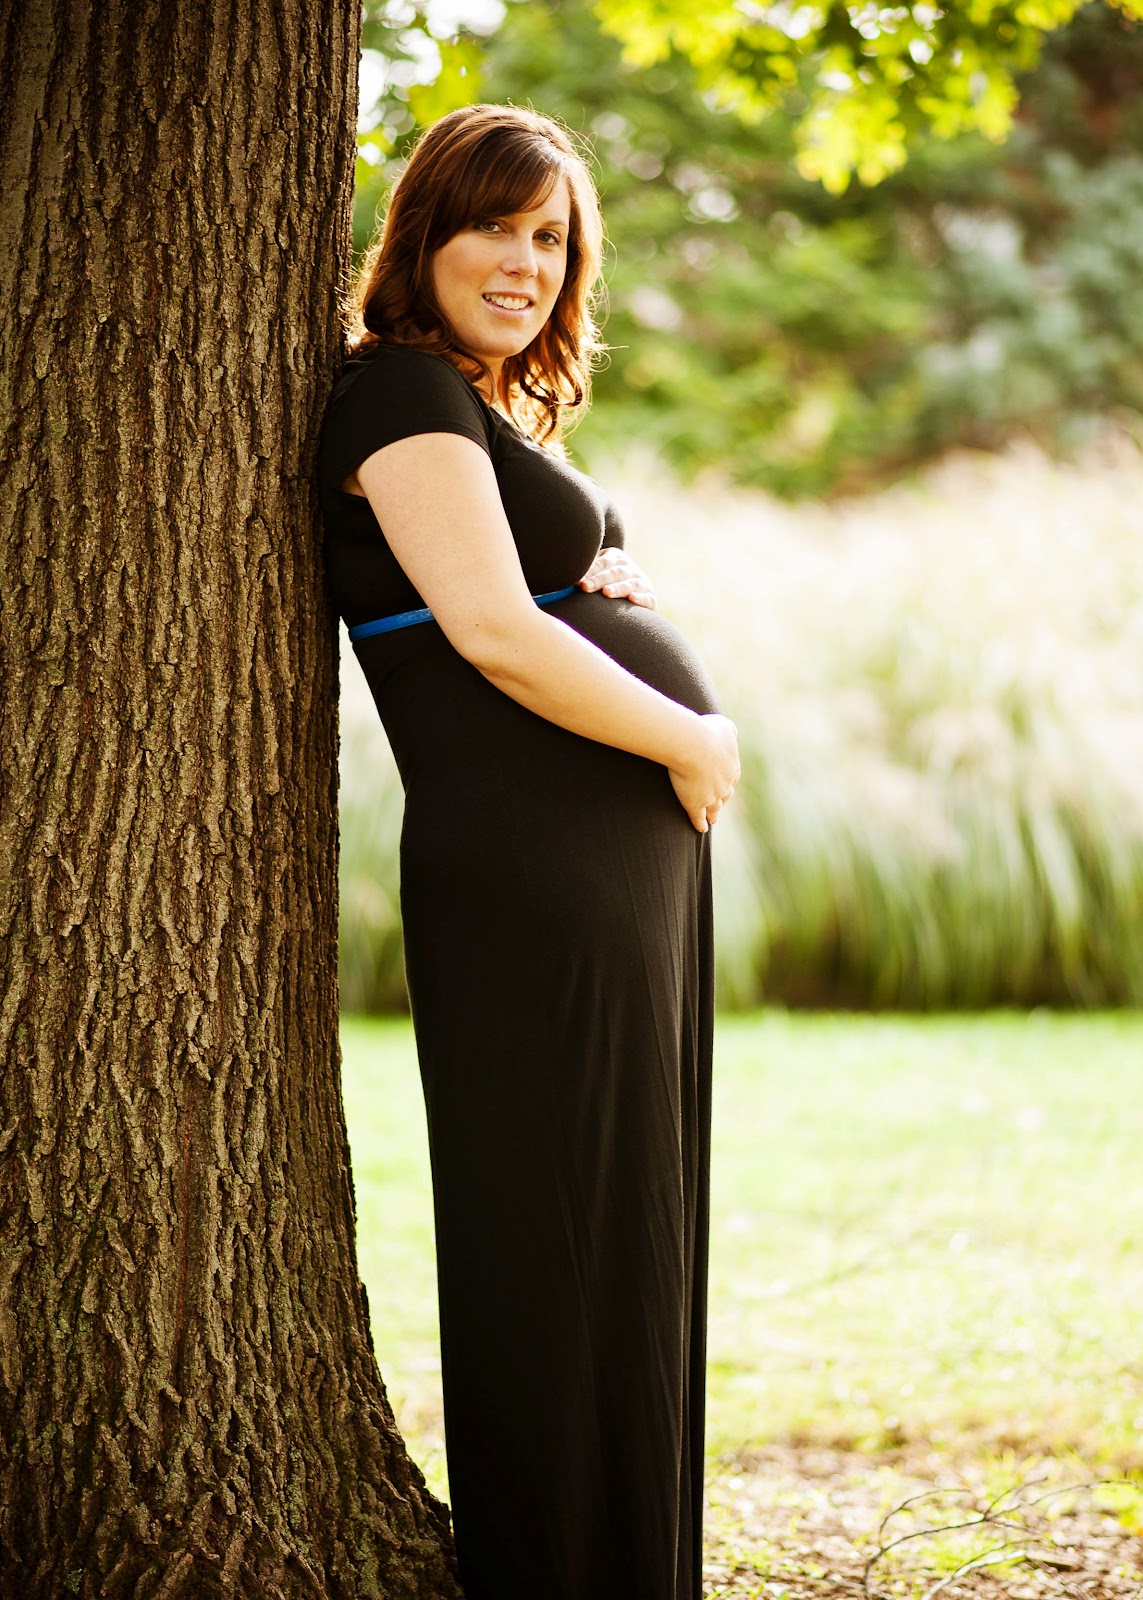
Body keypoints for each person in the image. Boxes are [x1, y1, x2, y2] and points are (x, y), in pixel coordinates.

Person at [317, 103, 739, 1600]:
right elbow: (492, 633)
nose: (524, 260)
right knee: (557, 1232)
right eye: (493, 224)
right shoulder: (398, 394)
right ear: (423, 235)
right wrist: (691, 739)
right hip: (536, 872)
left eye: (551, 237)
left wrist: (598, 580)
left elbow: (514, 598)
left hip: (599, 869)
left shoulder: (468, 408)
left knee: (626, 1224)